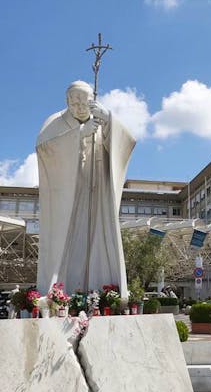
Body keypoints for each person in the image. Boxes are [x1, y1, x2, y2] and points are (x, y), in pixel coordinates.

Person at [36, 81, 137, 295]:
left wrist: (109, 120)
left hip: (97, 191)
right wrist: (79, 134)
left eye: (85, 101)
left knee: (97, 237)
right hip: (68, 194)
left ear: (92, 100)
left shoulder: (101, 119)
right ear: (67, 102)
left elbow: (127, 142)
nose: (80, 107)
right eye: (75, 102)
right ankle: (61, 292)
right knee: (70, 240)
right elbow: (44, 148)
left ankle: (101, 291)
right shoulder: (55, 121)